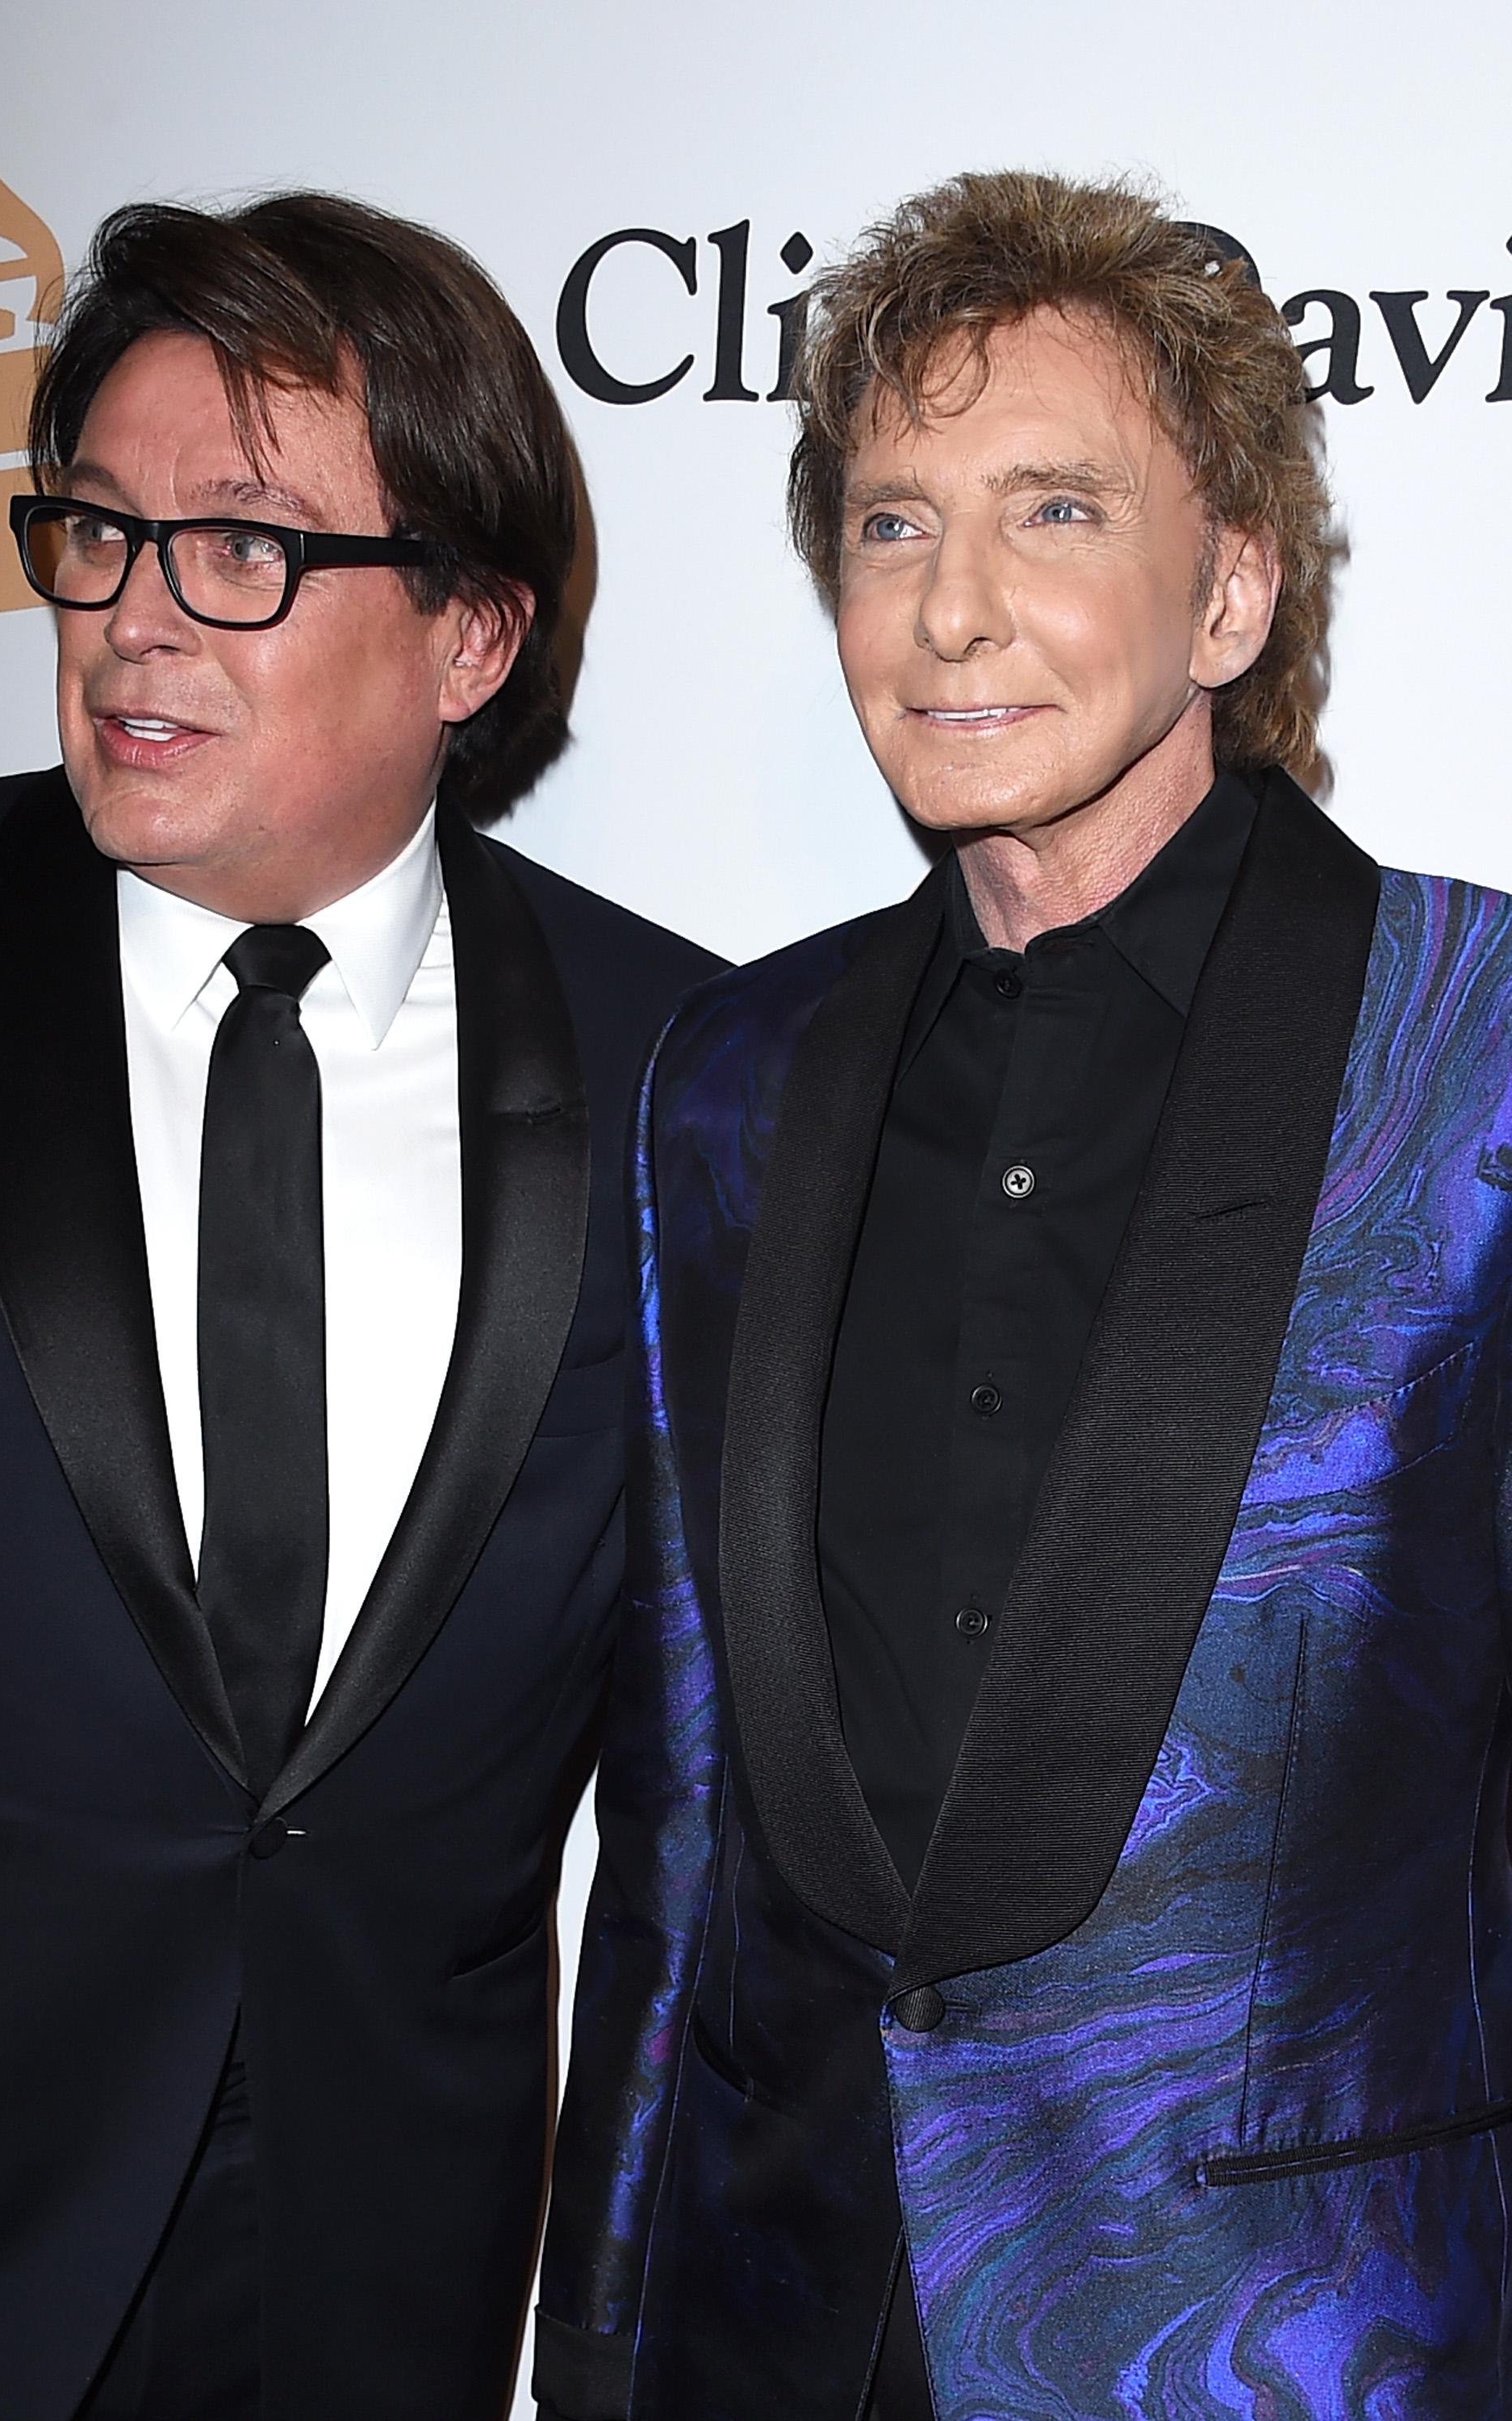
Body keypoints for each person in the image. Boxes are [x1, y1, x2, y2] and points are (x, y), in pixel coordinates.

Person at [0, 191, 719, 2421]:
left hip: (383, 2286)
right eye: (93, 531)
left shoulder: (698, 1081)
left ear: (469, 636)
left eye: (241, 550)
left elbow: (697, 1812)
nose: (130, 621)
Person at [534, 170, 1512, 2421]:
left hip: (1299, 2345)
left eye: (1053, 511)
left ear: (1233, 591)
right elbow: (680, 1799)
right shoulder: (734, 1080)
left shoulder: (1473, 1050)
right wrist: (597, 2324)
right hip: (771, 2334)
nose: (952, 613)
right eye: (891, 527)